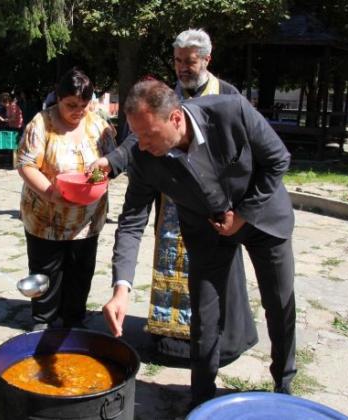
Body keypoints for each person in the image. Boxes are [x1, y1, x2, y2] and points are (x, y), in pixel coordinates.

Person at [103, 80, 296, 408]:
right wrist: (121, 288)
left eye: (149, 134)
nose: (143, 145)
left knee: (279, 304)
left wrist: (242, 216)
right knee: (204, 317)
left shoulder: (231, 112)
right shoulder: (144, 157)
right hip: (206, 231)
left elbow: (278, 159)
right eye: (137, 135)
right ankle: (201, 400)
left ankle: (284, 383)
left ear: (176, 119)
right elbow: (132, 222)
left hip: (262, 217)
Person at [91, 28, 256, 367]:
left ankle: (220, 342)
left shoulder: (227, 95)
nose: (183, 68)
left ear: (206, 60)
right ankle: (170, 340)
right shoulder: (162, 98)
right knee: (172, 268)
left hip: (215, 203)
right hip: (172, 204)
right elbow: (139, 143)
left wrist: (237, 205)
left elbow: (246, 153)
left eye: (190, 62)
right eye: (178, 61)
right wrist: (112, 162)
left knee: (216, 272)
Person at [17, 68, 117, 331]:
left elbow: (113, 161)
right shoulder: (41, 124)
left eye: (83, 105)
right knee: (46, 273)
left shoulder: (97, 124)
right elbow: (26, 165)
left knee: (80, 272)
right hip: (46, 218)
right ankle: (44, 321)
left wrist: (92, 179)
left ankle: (74, 319)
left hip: (87, 219)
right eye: (71, 105)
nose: (78, 111)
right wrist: (52, 193)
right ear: (58, 98)